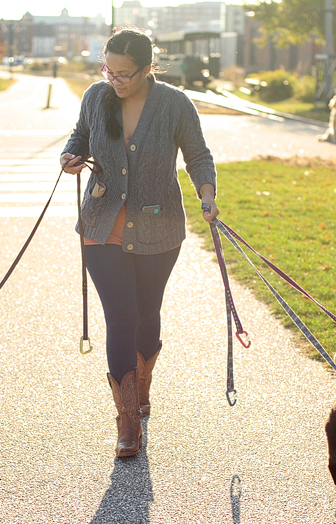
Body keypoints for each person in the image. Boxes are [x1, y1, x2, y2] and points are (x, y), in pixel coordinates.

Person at [60, 27, 219, 458]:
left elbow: (198, 155)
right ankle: (128, 420)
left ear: (149, 68)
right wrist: (69, 159)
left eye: (124, 74)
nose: (114, 80)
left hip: (159, 229)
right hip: (102, 226)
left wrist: (207, 193)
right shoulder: (96, 96)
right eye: (108, 70)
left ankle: (142, 383)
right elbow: (79, 137)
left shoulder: (174, 104)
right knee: (121, 317)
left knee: (148, 312)